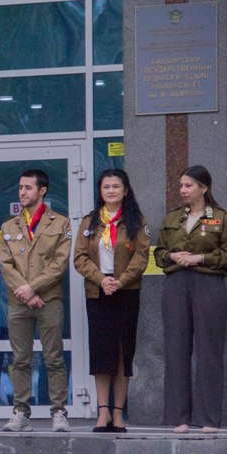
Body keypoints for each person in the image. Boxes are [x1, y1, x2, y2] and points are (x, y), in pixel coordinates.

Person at [154, 165, 227, 434]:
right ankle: (178, 417)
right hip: (176, 283)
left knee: (209, 351)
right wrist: (172, 256)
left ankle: (208, 418)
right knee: (176, 349)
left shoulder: (221, 218)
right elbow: (158, 253)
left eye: (189, 185)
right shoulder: (173, 218)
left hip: (209, 282)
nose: (183, 190)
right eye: (181, 185)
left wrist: (200, 258)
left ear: (204, 188)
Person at [73, 169, 149, 433]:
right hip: (98, 292)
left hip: (126, 291)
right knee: (101, 353)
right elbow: (80, 258)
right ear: (100, 191)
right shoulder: (90, 221)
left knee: (122, 353)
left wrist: (120, 281)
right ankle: (102, 411)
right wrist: (102, 280)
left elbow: (141, 256)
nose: (111, 191)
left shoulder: (136, 220)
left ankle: (118, 413)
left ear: (125, 191)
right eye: (106, 187)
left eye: (116, 186)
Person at [0, 170, 72, 433]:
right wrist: (26, 291)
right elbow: (5, 264)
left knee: (54, 358)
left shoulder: (60, 223)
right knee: (20, 359)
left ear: (42, 191)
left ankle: (59, 412)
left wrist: (34, 288)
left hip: (48, 300)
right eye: (20, 187)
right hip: (19, 302)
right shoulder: (9, 226)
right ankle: (21, 413)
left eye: (28, 188)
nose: (22, 192)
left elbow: (59, 264)